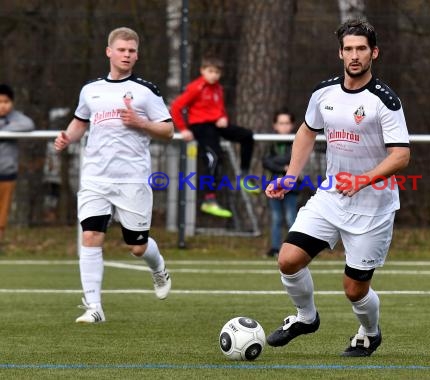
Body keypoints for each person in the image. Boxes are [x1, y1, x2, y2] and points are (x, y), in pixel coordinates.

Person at [264, 18, 410, 357]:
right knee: (288, 260)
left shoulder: (384, 101)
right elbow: (306, 131)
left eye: (361, 48)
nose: (355, 55)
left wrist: (362, 179)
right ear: (340, 53)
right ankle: (305, 317)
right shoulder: (323, 92)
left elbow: (401, 156)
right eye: (348, 49)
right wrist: (290, 176)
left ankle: (370, 333)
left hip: (373, 205)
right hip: (331, 197)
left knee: (354, 290)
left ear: (374, 52)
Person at [54, 27, 173, 323]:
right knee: (91, 236)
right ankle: (93, 308)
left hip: (132, 178)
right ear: (109, 51)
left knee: (137, 246)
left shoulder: (146, 91)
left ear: (137, 55)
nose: (127, 55)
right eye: (121, 50)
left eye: (132, 51)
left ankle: (158, 268)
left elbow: (169, 130)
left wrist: (141, 123)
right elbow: (80, 121)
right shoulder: (91, 90)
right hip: (95, 178)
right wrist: (67, 137)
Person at [170, 56, 259, 219]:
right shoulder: (196, 87)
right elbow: (176, 107)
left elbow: (219, 108)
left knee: (247, 136)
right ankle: (209, 200)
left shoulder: (218, 88)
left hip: (216, 125)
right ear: (202, 71)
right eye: (210, 71)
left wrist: (223, 117)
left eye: (217, 72)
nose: (214, 75)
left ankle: (244, 176)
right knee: (214, 157)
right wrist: (183, 129)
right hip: (201, 127)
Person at [0, 84, 35, 243]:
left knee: (2, 215)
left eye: (6, 101)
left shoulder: (15, 118)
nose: (2, 105)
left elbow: (28, 124)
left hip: (7, 174)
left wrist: (5, 129)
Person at [262, 108, 298, 257]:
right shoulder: (271, 142)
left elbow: (294, 159)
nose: (284, 126)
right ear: (275, 125)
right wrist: (282, 166)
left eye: (287, 123)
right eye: (280, 123)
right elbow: (266, 161)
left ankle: (295, 249)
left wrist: (282, 163)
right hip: (273, 185)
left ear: (292, 125)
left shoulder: (296, 141)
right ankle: (275, 248)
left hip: (292, 187)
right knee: (276, 218)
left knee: (291, 218)